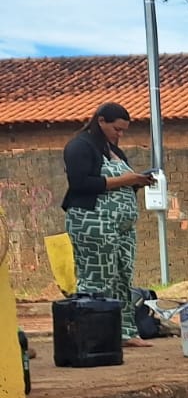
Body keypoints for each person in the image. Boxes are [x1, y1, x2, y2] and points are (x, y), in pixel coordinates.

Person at [61, 102, 156, 347]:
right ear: (101, 121)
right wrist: (128, 178)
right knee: (98, 278)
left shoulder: (113, 149)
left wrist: (138, 182)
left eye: (123, 130)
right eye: (116, 128)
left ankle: (125, 331)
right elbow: (81, 183)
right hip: (93, 221)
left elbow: (120, 183)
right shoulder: (79, 146)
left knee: (122, 277)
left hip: (121, 226)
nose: (119, 134)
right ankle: (96, 335)